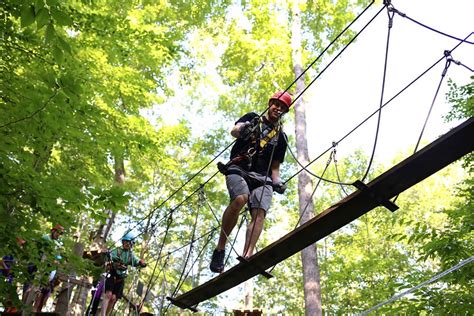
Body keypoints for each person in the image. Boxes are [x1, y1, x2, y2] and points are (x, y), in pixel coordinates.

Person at [210, 91, 292, 273]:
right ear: (270, 103)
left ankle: (247, 255)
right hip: (239, 167)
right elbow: (234, 130)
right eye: (276, 104)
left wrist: (277, 181)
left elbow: (275, 166)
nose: (277, 109)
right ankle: (220, 249)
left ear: (285, 112)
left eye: (282, 107)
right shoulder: (253, 118)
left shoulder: (281, 138)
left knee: (260, 211)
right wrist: (243, 130)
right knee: (240, 199)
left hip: (263, 177)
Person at [101, 233, 146, 316]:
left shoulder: (130, 255)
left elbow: (136, 261)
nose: (127, 244)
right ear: (123, 242)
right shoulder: (117, 250)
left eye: (129, 243)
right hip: (112, 273)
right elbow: (109, 254)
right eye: (125, 242)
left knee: (114, 298)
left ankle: (106, 314)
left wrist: (141, 262)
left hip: (121, 277)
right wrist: (106, 253)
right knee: (108, 294)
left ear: (132, 244)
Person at [32, 224, 65, 312]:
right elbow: (39, 250)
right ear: (53, 231)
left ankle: (36, 309)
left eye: (60, 233)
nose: (59, 235)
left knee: (44, 288)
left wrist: (58, 259)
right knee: (35, 286)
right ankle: (27, 307)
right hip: (41, 265)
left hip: (51, 268)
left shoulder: (59, 244)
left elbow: (59, 256)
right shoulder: (45, 238)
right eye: (58, 232)